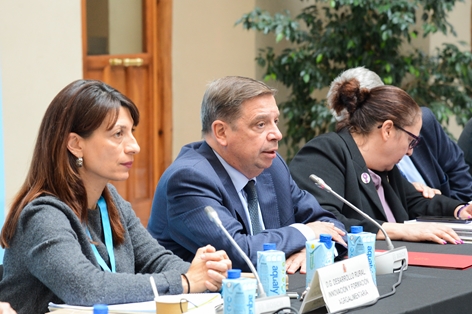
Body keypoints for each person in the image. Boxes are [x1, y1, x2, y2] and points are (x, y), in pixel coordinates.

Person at [0, 80, 231, 314]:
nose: (134, 146)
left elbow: (156, 260)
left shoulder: (109, 200)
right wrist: (186, 281)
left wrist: (206, 273)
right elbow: (87, 289)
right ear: (75, 144)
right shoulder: (42, 215)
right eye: (118, 134)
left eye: (132, 132)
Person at [147, 76, 347, 274]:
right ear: (221, 132)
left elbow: (331, 226)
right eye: (260, 124)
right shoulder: (188, 178)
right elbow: (240, 254)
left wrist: (313, 250)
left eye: (275, 121)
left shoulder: (272, 167)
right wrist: (307, 232)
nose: (277, 134)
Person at [289, 75, 472, 245]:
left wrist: (460, 210)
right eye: (411, 141)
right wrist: (403, 230)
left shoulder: (383, 166)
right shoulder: (325, 151)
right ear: (387, 130)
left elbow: (415, 202)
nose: (410, 152)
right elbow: (326, 222)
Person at [330, 67, 472, 202]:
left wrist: (454, 211)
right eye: (353, 126)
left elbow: (458, 174)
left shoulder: (422, 122)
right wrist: (408, 195)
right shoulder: (348, 158)